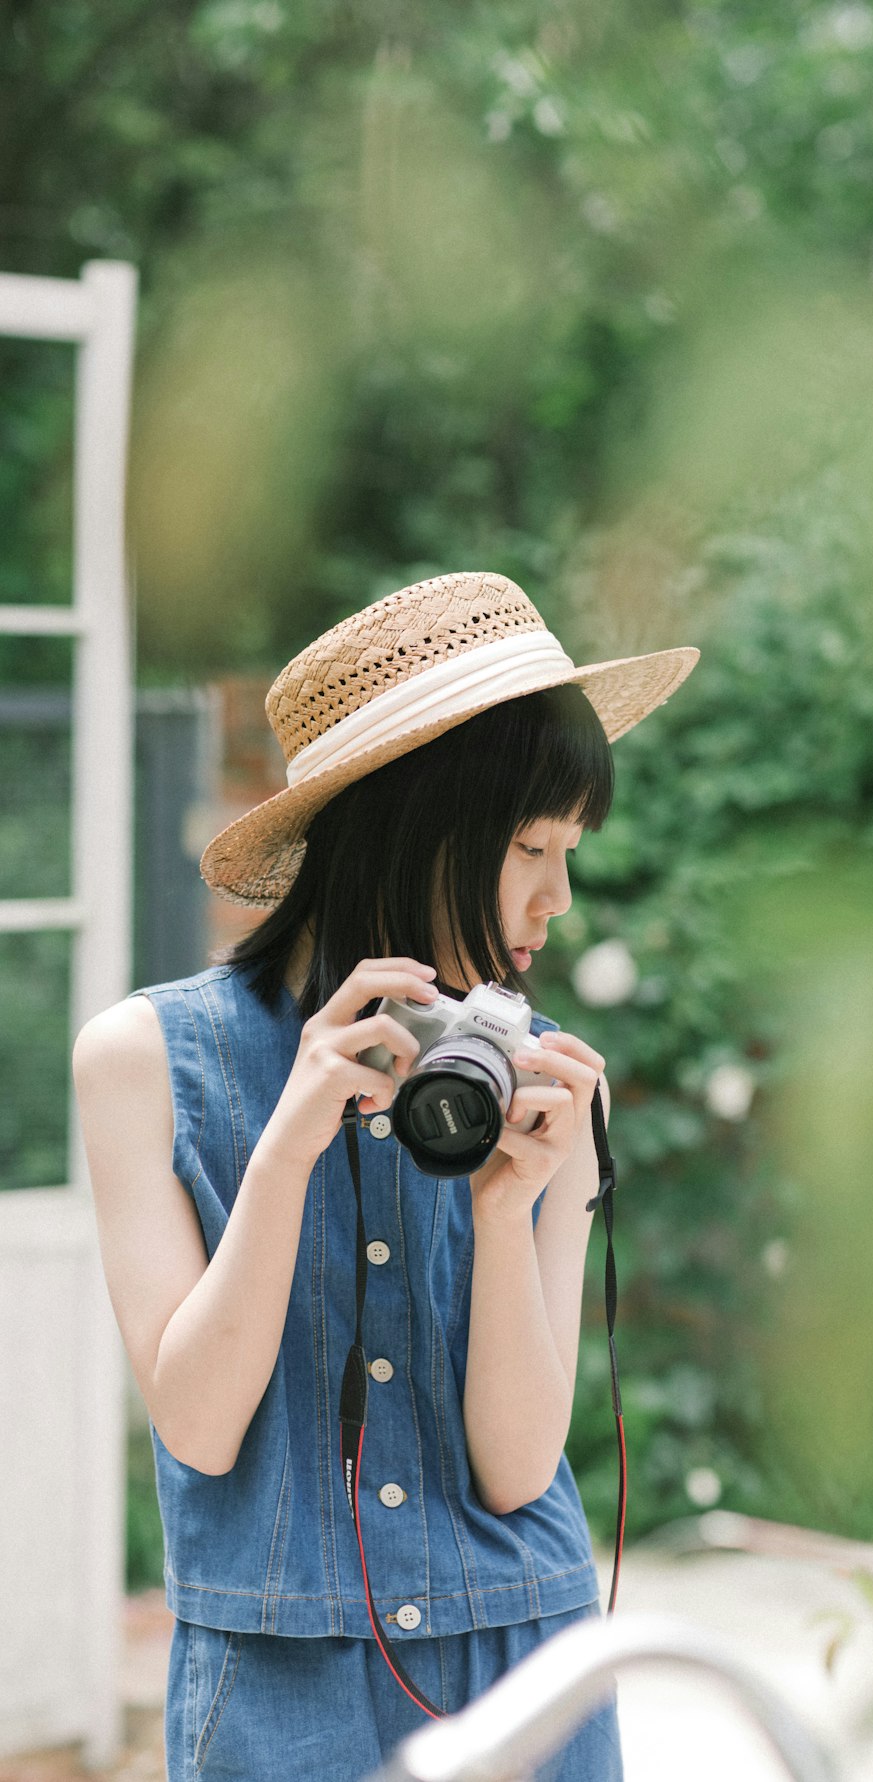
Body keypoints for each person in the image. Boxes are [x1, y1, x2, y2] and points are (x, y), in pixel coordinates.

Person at [73, 570, 698, 1782]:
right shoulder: (146, 1060)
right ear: (418, 822)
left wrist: (508, 1203)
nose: (555, 901)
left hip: (526, 1676)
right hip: (276, 1696)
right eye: (529, 848)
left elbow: (518, 1469)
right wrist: (290, 1144)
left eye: (569, 852)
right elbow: (198, 1429)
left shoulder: (548, 1089)